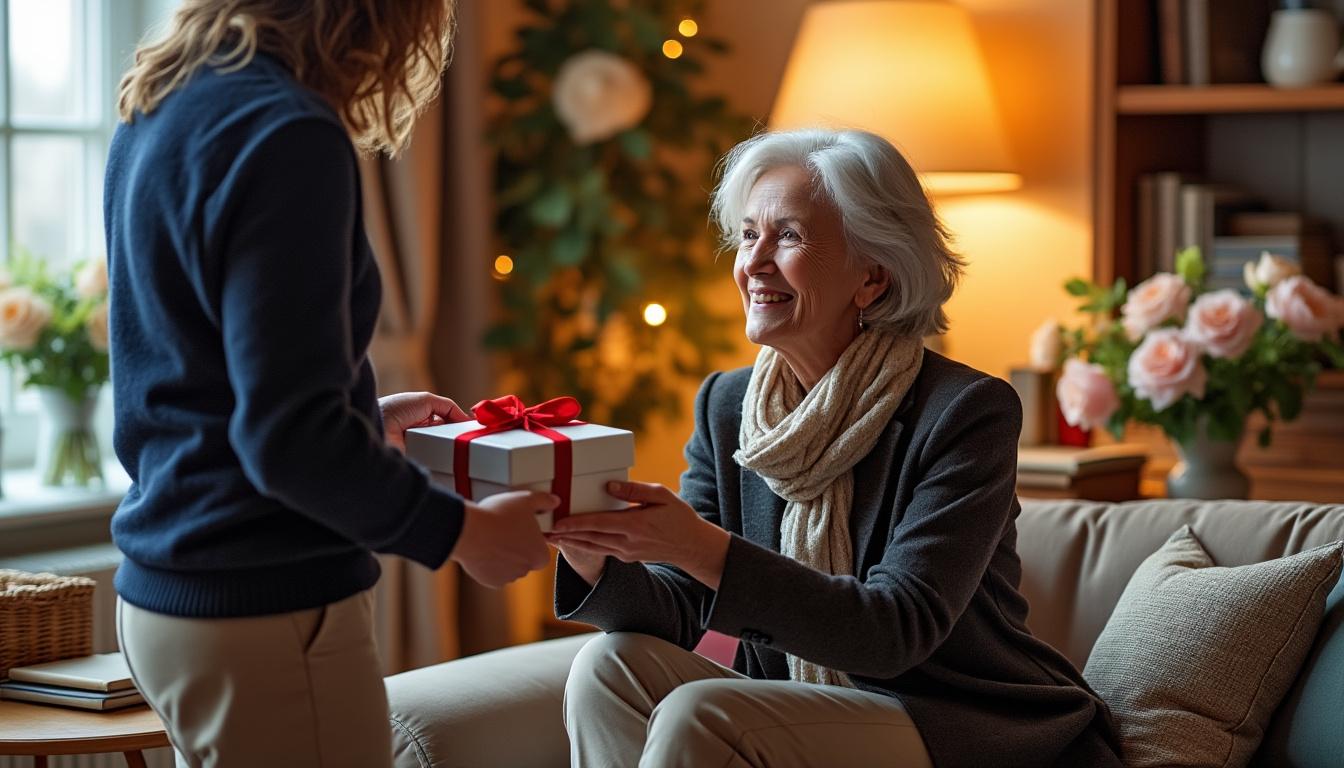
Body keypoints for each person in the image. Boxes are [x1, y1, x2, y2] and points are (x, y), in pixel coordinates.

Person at [538, 128, 1124, 767]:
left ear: (872, 277)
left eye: (788, 236)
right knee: (607, 665)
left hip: (949, 717)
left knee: (699, 710)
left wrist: (699, 546)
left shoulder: (967, 412)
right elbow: (683, 607)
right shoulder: (726, 406)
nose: (754, 262)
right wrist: (590, 551)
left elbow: (897, 629)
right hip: (804, 707)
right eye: (748, 235)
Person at [104, 2, 553, 766]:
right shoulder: (289, 133)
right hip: (265, 612)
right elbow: (287, 440)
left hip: (166, 600)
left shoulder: (161, 103)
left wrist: (356, 414)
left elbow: (204, 376)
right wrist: (469, 535)